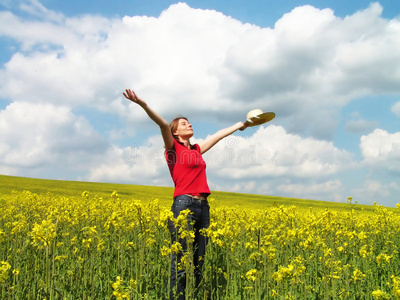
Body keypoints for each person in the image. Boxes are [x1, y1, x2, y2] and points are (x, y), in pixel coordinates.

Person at [123, 89, 247, 299]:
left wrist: (241, 125)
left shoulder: (197, 150)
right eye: (183, 124)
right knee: (180, 262)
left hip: (203, 206)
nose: (189, 124)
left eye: (189, 122)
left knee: (199, 261)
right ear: (175, 133)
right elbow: (162, 124)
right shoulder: (172, 148)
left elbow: (217, 135)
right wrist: (143, 104)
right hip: (184, 205)